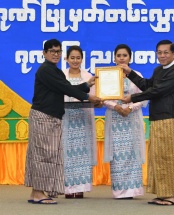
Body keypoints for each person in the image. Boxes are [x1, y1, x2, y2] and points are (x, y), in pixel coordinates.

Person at [24, 39, 101, 204]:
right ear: (44, 53)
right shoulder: (46, 70)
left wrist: (87, 85)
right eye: (52, 51)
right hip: (44, 117)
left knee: (46, 155)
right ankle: (38, 193)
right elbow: (67, 89)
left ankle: (37, 191)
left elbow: (66, 88)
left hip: (51, 117)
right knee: (43, 155)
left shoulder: (55, 71)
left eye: (58, 51)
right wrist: (88, 96)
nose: (55, 54)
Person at [121, 40, 174, 206]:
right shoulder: (159, 70)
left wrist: (132, 98)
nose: (162, 55)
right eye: (159, 52)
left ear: (173, 54)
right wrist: (130, 73)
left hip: (170, 118)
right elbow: (147, 85)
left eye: (166, 52)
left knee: (170, 157)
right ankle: (163, 194)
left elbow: (158, 91)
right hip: (158, 119)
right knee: (159, 157)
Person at [103, 44, 148, 199]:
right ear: (114, 58)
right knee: (117, 155)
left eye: (125, 55)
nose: (121, 58)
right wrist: (115, 106)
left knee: (132, 154)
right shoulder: (107, 75)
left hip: (132, 119)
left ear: (130, 58)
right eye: (118, 55)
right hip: (115, 119)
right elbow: (103, 98)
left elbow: (145, 96)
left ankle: (132, 190)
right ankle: (119, 191)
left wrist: (130, 108)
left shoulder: (137, 75)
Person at [62, 45, 98, 199]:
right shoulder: (61, 76)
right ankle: (68, 188)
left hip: (83, 120)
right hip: (66, 120)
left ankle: (81, 187)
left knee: (82, 154)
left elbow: (95, 97)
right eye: (72, 58)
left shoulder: (88, 77)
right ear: (67, 59)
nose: (75, 61)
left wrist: (98, 101)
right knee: (67, 153)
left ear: (82, 59)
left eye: (78, 58)